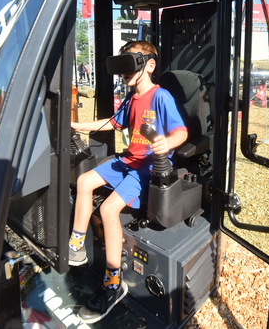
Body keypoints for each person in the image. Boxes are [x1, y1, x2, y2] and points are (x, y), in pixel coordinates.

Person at [69, 41, 188, 323]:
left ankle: (113, 284)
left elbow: (181, 132)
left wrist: (166, 142)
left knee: (108, 210)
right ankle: (75, 247)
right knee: (84, 181)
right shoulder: (131, 99)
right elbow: (112, 122)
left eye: (129, 64)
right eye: (121, 66)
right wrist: (77, 126)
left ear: (149, 65)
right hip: (128, 161)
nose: (124, 72)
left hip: (147, 168)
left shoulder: (161, 97)